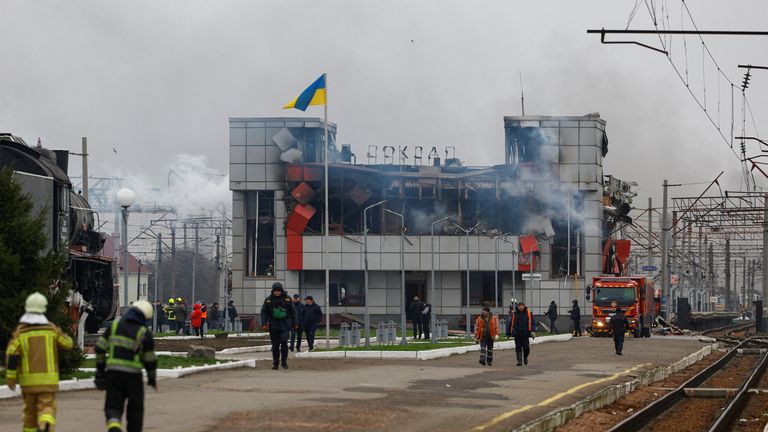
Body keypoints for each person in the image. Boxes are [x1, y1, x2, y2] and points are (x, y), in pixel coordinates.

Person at [5, 292, 74, 432]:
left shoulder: (21, 333)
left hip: (28, 382)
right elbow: (68, 344)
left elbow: (12, 354)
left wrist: (11, 378)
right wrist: (60, 332)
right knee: (47, 407)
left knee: (29, 414)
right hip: (48, 381)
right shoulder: (51, 330)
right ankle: (45, 423)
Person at [95, 300, 157, 432]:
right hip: (133, 376)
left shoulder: (115, 326)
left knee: (113, 407)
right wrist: (151, 378)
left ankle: (114, 427)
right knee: (136, 409)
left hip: (113, 374)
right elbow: (150, 359)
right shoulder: (144, 332)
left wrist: (100, 371)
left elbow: (100, 347)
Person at [261, 283, 298, 370]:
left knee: (284, 342)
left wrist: (295, 323)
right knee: (275, 345)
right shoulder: (269, 300)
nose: (277, 292)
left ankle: (284, 362)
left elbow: (293, 311)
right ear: (273, 291)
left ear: (281, 291)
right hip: (273, 326)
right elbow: (264, 312)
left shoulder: (287, 299)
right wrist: (264, 323)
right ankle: (275, 363)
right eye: (275, 291)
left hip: (285, 325)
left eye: (278, 291)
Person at [511, 302, 535, 366]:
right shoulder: (515, 314)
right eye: (520, 306)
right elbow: (511, 323)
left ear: (524, 307)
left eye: (522, 306)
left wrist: (533, 330)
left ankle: (525, 357)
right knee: (518, 347)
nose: (521, 307)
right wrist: (508, 333)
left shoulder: (529, 313)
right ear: (518, 307)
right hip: (517, 333)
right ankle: (519, 361)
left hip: (525, 334)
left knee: (526, 348)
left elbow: (532, 323)